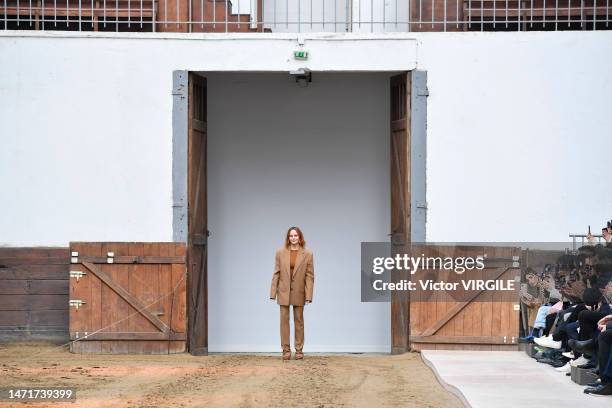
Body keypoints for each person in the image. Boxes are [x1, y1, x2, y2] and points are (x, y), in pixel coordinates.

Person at [269, 226, 315, 361]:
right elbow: (276, 272)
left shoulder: (308, 254)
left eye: (295, 236)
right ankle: (286, 350)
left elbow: (310, 276)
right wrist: (273, 292)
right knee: (284, 321)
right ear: (288, 238)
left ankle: (299, 350)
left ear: (300, 237)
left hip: (299, 291)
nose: (293, 238)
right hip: (283, 291)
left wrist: (309, 295)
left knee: (299, 321)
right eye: (291, 236)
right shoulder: (280, 253)